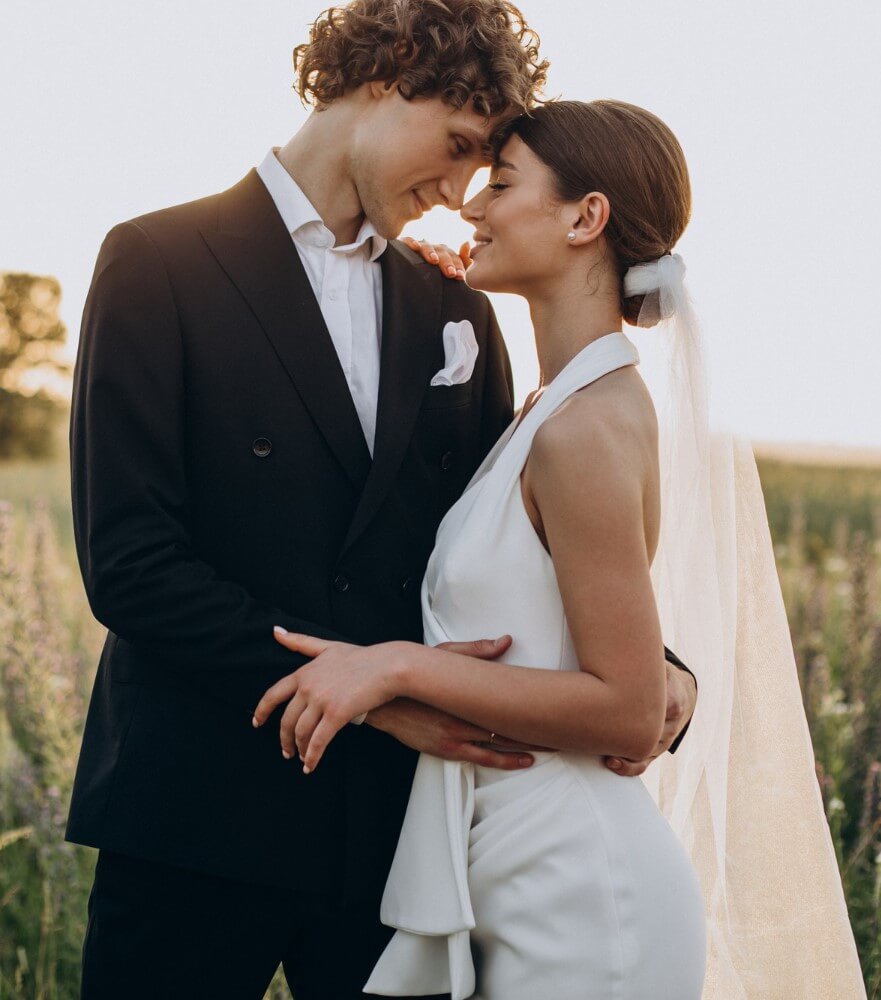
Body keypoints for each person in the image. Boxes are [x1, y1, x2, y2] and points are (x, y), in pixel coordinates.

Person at [66, 3, 562, 997]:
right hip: (193, 819)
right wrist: (373, 695)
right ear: (387, 68)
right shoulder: (155, 262)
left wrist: (654, 676)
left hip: (391, 845)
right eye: (459, 144)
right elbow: (130, 565)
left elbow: (506, 537)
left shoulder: (455, 309)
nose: (462, 189)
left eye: (482, 164)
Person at [253, 98, 708, 999]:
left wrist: (395, 669)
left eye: (500, 183)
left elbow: (625, 711)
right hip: (507, 863)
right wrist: (418, 294)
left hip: (579, 889)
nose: (469, 206)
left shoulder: (582, 427)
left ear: (585, 218)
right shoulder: (546, 409)